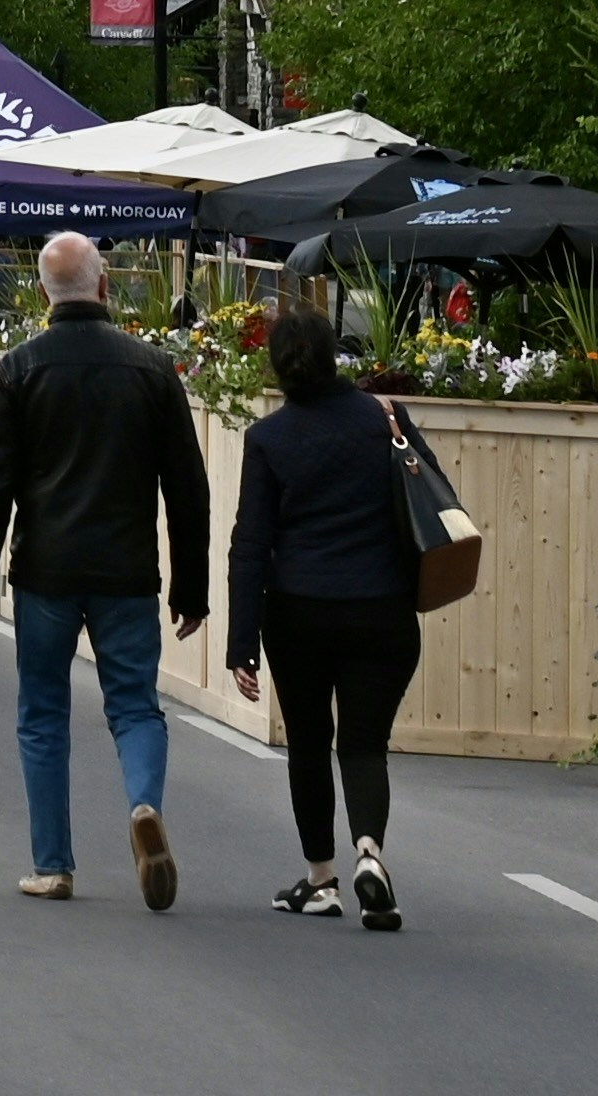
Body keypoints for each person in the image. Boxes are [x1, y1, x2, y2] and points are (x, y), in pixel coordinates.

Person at [0, 230, 213, 910]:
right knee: (135, 708)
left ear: (43, 294)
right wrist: (192, 590)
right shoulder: (153, 370)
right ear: (105, 286)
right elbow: (188, 489)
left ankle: (53, 865)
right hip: (128, 571)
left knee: (42, 713)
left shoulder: (20, 369)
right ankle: (142, 806)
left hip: (46, 572)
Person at [225, 305, 426, 929]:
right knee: (364, 743)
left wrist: (241, 643)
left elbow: (250, 544)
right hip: (383, 609)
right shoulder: (385, 417)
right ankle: (370, 851)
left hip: (299, 611)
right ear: (336, 353)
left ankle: (321, 880)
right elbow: (431, 494)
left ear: (277, 365)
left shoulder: (269, 439)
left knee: (308, 743)